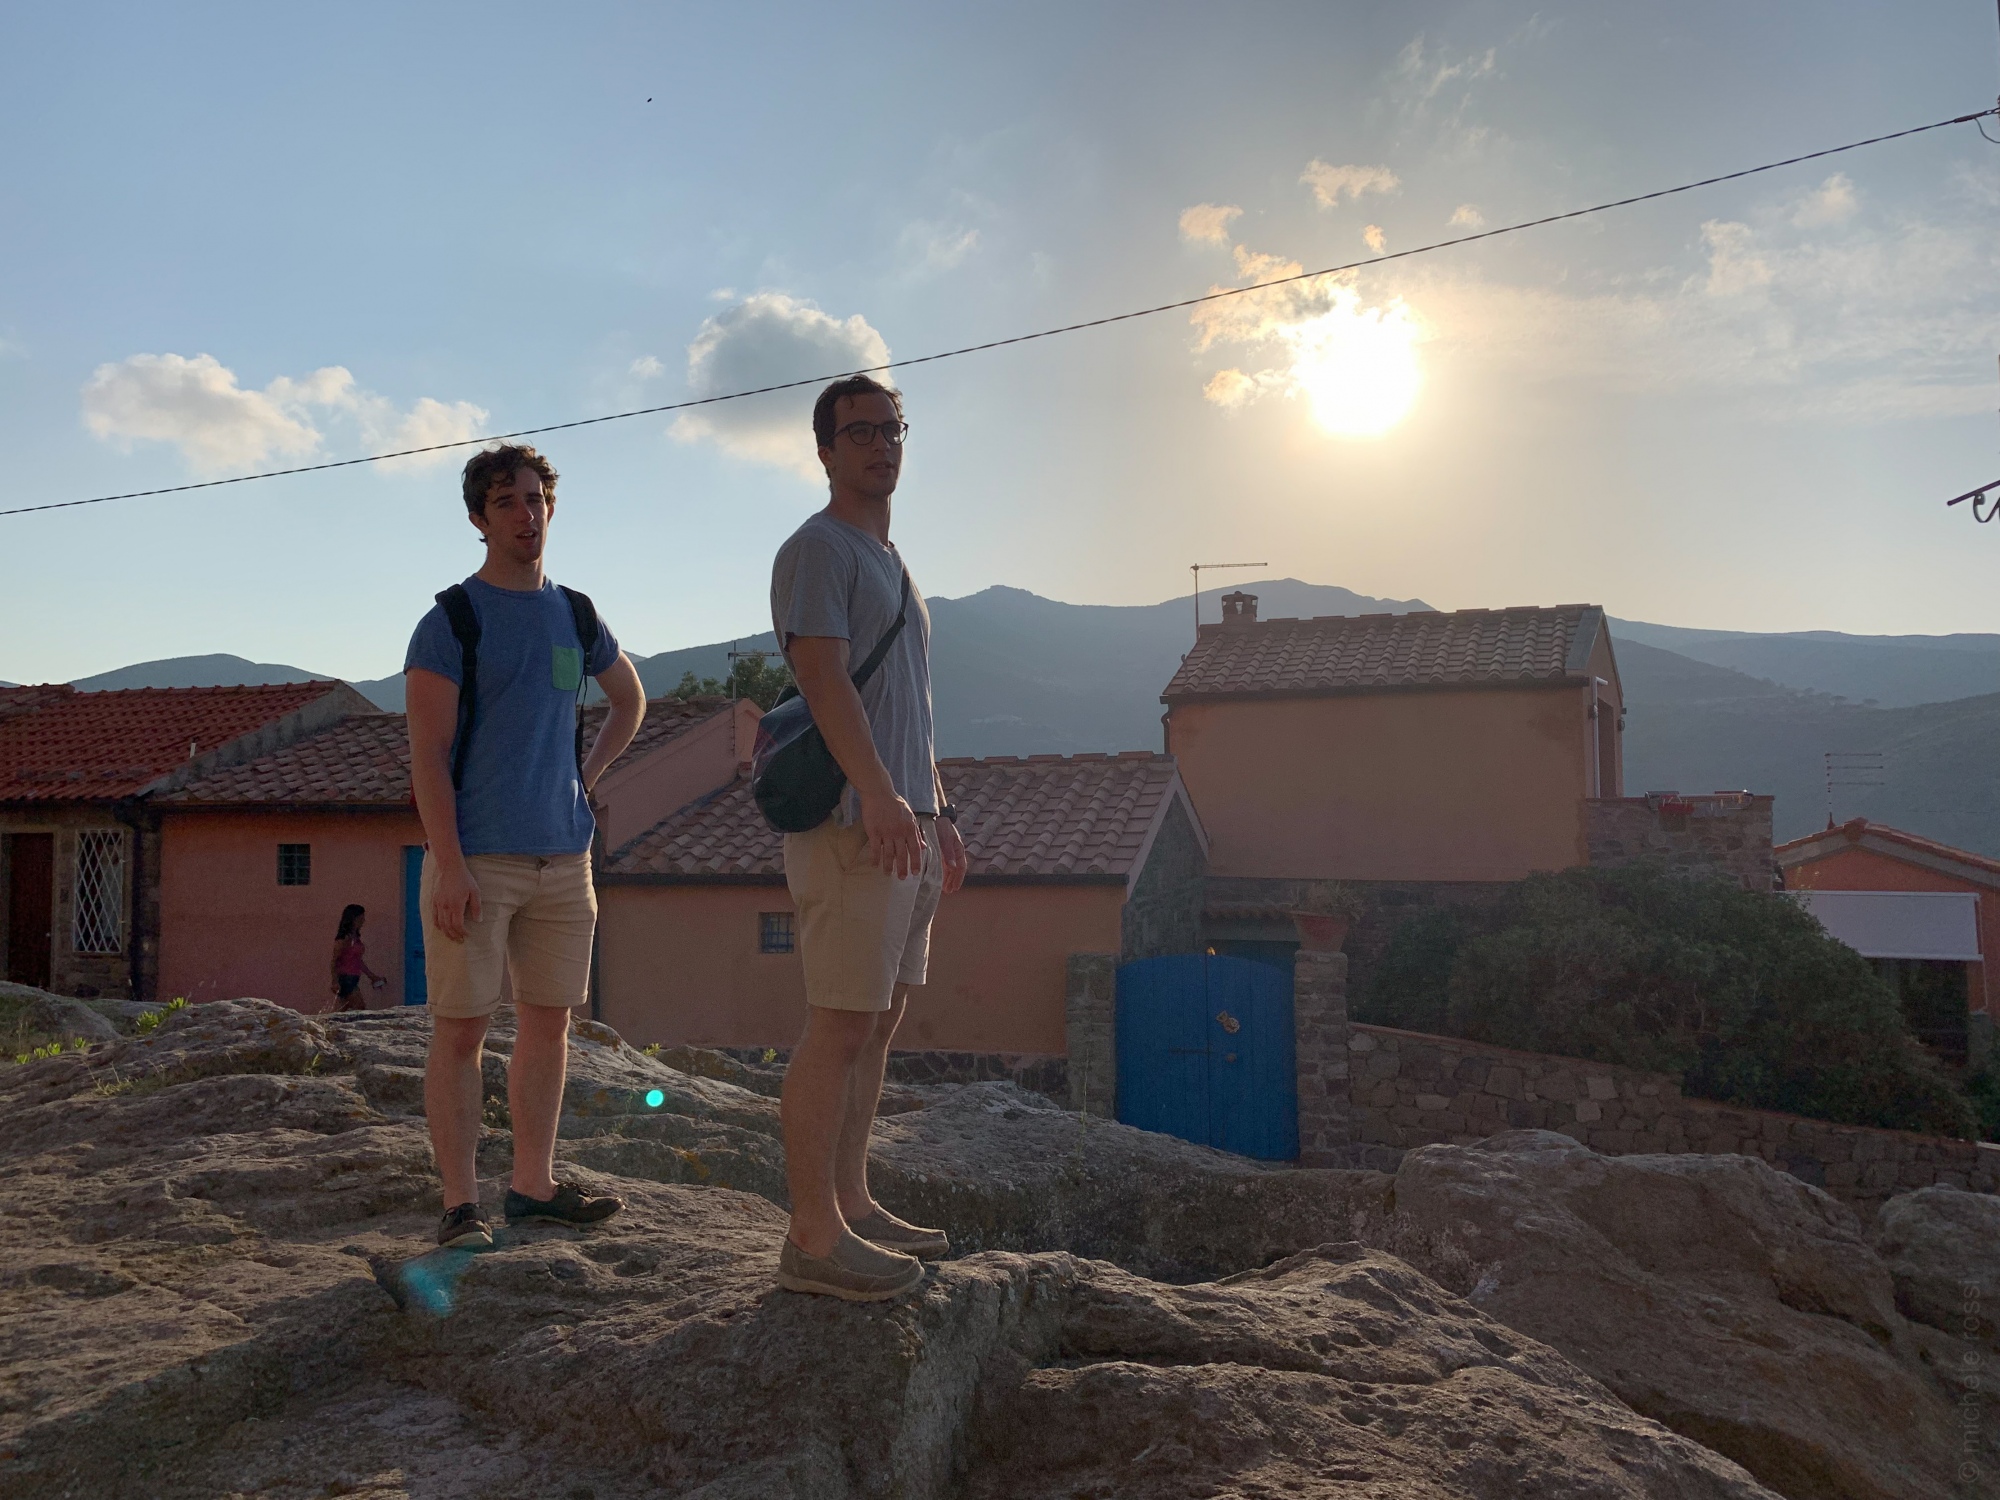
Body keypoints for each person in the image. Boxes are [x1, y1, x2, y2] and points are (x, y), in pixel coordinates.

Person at [404, 443, 647, 1250]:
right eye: (506, 501)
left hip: (564, 858)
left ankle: (533, 1187)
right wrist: (449, 864)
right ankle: (459, 1206)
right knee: (462, 1032)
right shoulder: (450, 622)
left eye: (536, 498)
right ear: (479, 518)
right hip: (477, 861)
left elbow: (629, 700)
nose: (525, 514)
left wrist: (585, 777)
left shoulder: (574, 613)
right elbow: (427, 757)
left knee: (550, 1026)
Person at [768, 375, 968, 1301]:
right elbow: (823, 678)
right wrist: (882, 796)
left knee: (877, 1026)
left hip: (904, 825)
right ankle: (812, 1237)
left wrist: (938, 811)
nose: (881, 445)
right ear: (824, 451)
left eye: (892, 430)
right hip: (855, 827)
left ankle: (850, 1201)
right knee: (839, 1026)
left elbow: (906, 706)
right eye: (859, 432)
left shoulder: (894, 561)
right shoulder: (819, 548)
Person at [329, 903, 387, 1012]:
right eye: (361, 918)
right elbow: (335, 961)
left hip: (353, 977)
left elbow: (358, 961)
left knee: (343, 1008)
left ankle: (329, 1022)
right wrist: (335, 981)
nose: (363, 921)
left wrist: (372, 977)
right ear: (354, 919)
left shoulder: (355, 938)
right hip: (345, 978)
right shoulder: (345, 939)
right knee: (359, 1006)